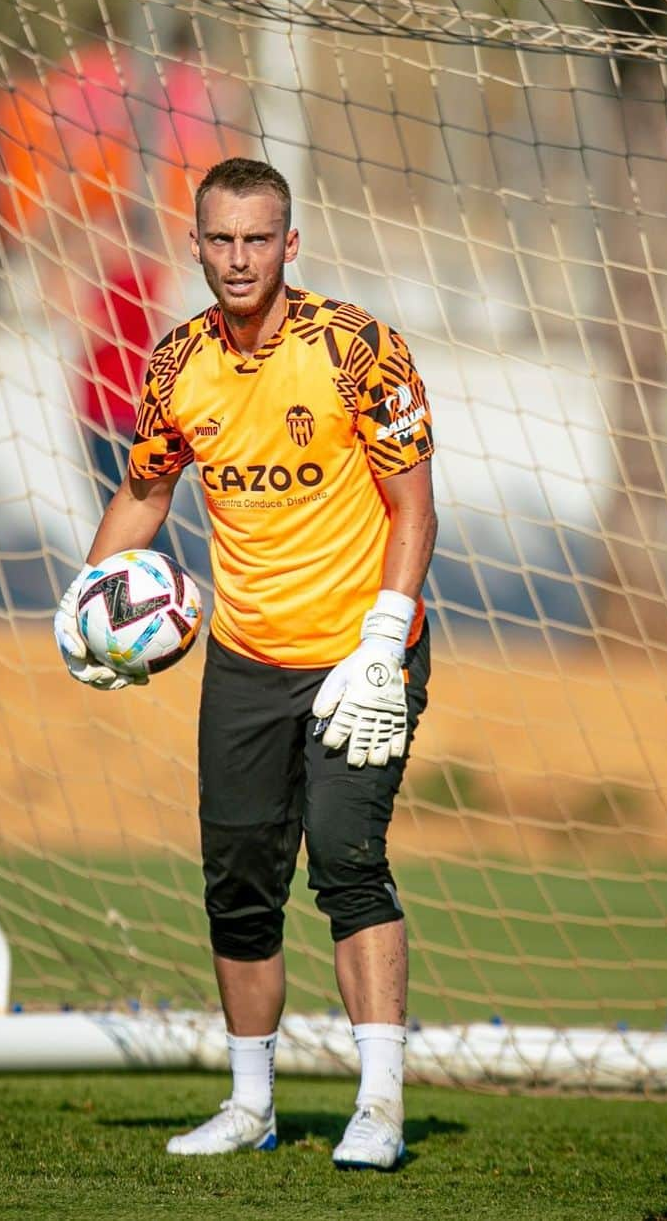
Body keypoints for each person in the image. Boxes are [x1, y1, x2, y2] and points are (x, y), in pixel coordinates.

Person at [52, 157, 436, 1171]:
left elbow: (415, 508)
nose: (237, 258)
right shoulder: (178, 361)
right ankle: (251, 1103)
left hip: (364, 650)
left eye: (257, 239)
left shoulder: (360, 349)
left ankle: (381, 1106)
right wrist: (88, 605)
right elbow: (145, 491)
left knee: (348, 858)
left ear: (290, 244)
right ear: (196, 242)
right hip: (246, 659)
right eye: (220, 239)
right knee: (238, 882)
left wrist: (383, 643)